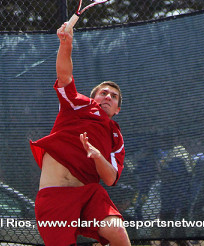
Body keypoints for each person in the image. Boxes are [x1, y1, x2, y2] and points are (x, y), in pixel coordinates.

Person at [30, 22, 131, 246]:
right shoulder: (79, 105)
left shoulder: (116, 138)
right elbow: (65, 75)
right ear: (93, 98)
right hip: (54, 197)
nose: (108, 97)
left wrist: (97, 156)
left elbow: (110, 178)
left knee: (118, 235)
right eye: (103, 93)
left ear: (117, 110)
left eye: (113, 97)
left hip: (89, 194)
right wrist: (66, 44)